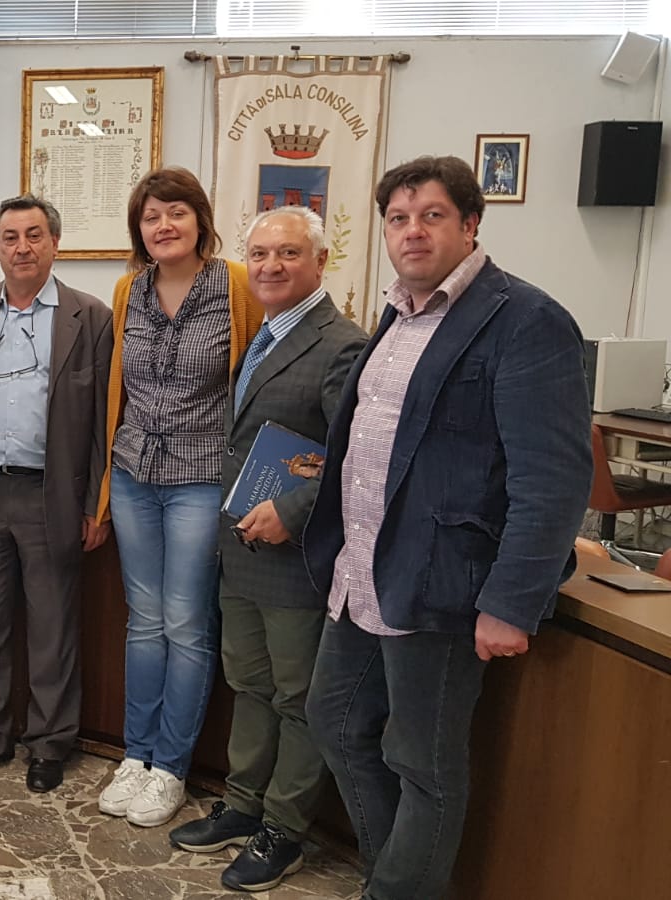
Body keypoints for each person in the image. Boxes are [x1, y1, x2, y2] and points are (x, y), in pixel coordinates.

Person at [303, 155, 591, 900]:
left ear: (470, 224)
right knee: (334, 722)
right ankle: (394, 877)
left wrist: (511, 601)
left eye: (432, 215)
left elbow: (553, 478)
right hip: (364, 573)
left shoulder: (527, 321)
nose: (413, 232)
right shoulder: (399, 315)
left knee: (422, 762)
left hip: (442, 584)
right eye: (398, 218)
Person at [166, 207, 366, 892]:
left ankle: (285, 828)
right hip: (243, 549)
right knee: (249, 685)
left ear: (320, 261)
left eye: (288, 253)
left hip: (296, 558)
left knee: (296, 699)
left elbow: (352, 460)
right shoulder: (262, 333)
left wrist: (293, 511)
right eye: (259, 254)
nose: (271, 266)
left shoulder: (342, 345)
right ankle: (244, 805)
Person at [95, 166, 262, 828]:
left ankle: (170, 766)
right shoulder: (127, 290)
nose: (164, 225)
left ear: (200, 220)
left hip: (201, 477)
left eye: (176, 212)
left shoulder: (238, 286)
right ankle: (135, 756)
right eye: (151, 216)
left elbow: (258, 377)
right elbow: (120, 384)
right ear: (138, 230)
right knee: (144, 619)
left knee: (187, 622)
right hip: (134, 472)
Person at [0, 195, 111, 793]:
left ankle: (50, 742)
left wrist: (96, 504)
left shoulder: (90, 317)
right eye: (10, 237)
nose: (23, 247)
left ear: (55, 244)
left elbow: (102, 420)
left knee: (53, 626)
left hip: (52, 494)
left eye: (35, 235)